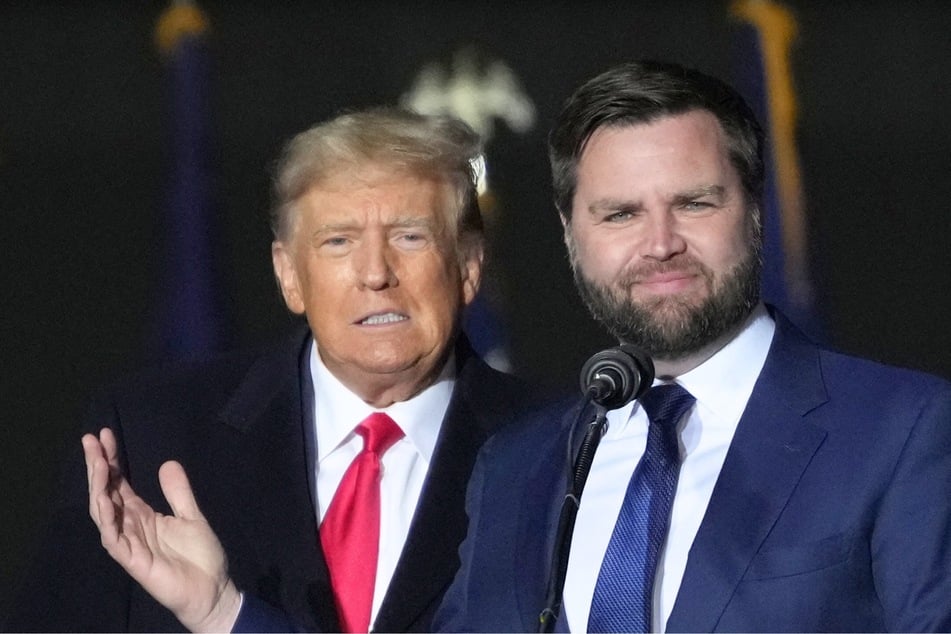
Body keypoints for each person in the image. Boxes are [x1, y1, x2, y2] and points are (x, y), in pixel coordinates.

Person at [434, 60, 951, 632]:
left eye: (694, 203)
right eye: (621, 213)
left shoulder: (905, 430)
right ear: (569, 232)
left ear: (755, 210)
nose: (660, 244)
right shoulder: (512, 467)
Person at [4, 108, 532, 633]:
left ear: (468, 268)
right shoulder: (146, 437)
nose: (376, 273)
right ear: (288, 276)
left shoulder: (555, 455)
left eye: (410, 236)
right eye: (339, 241)